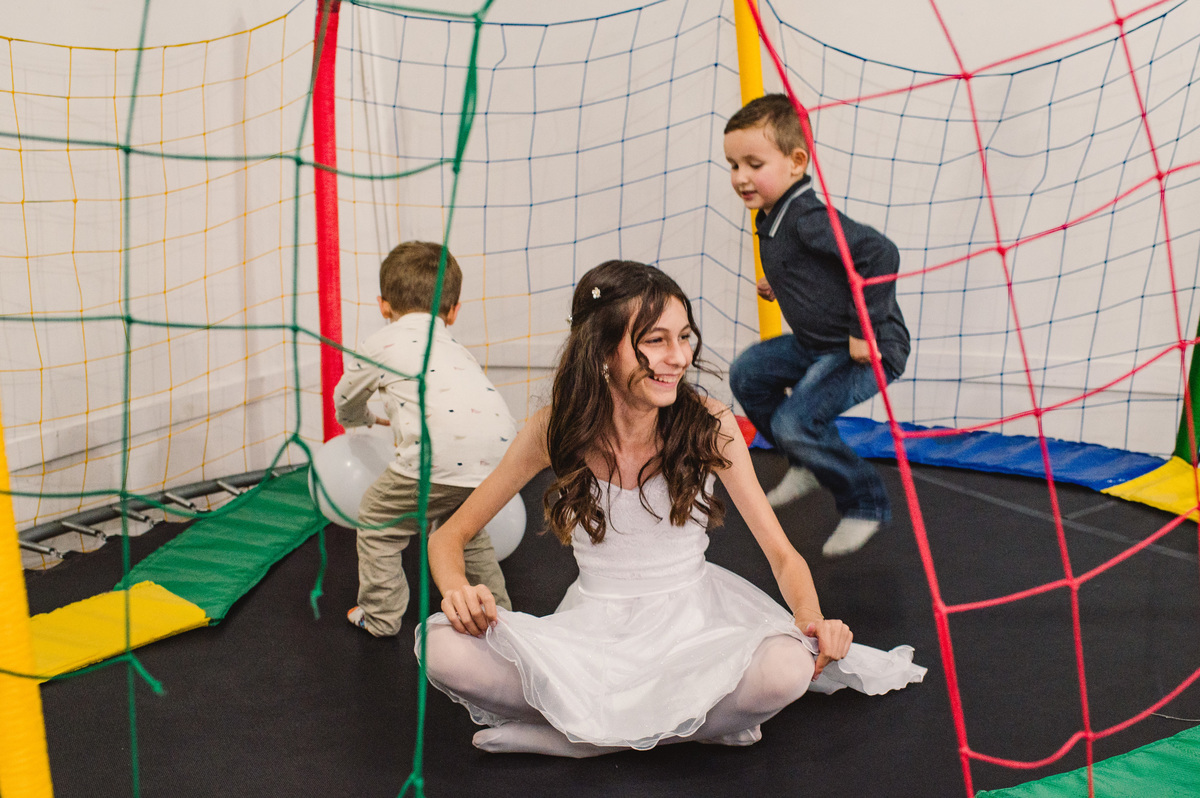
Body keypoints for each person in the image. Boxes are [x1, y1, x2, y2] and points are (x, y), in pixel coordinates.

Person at [416, 260, 924, 757]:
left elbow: (783, 554)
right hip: (597, 632)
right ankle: (686, 727)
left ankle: (583, 739)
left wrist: (812, 618)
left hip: (696, 626)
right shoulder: (554, 430)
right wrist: (458, 590)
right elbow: (448, 536)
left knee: (786, 670)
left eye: (684, 337)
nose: (679, 357)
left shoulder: (709, 424)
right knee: (440, 647)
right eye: (656, 340)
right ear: (602, 352)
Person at [724, 93, 910, 558]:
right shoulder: (772, 213)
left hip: (867, 349)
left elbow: (879, 254)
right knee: (748, 374)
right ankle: (806, 460)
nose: (741, 177)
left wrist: (863, 330)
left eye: (753, 163)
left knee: (794, 421)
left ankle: (865, 502)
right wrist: (780, 282)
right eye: (732, 165)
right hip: (815, 342)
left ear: (796, 161)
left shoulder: (806, 217)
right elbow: (820, 268)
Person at [333, 241, 516, 637]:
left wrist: (360, 419)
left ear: (383, 305)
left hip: (437, 458)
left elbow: (345, 399)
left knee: (378, 517)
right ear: (453, 310)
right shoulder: (456, 348)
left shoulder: (380, 343)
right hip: (500, 455)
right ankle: (503, 618)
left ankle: (379, 615)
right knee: (464, 529)